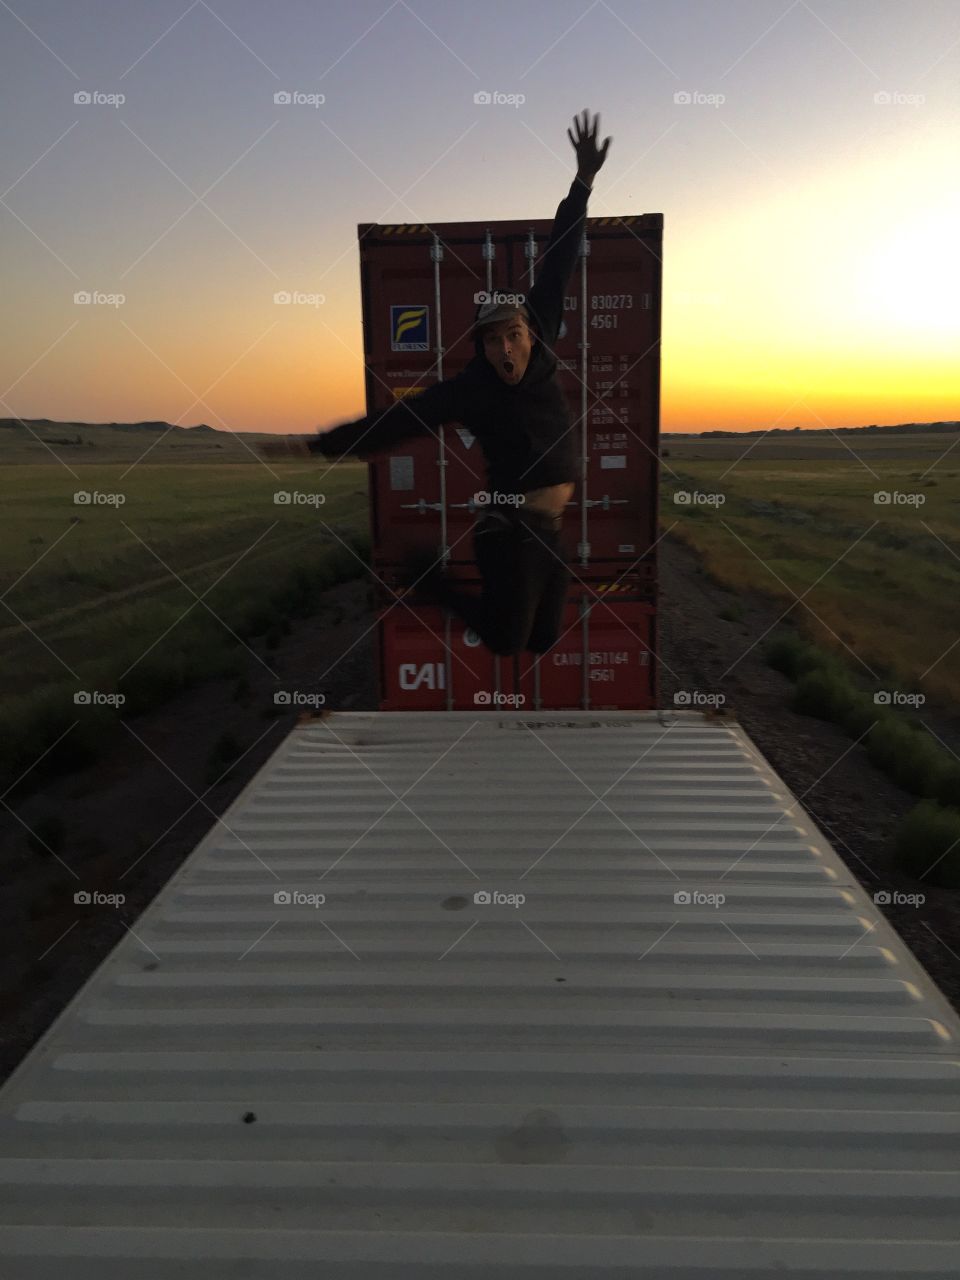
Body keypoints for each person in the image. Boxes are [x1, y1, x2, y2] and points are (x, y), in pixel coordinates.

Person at [261, 109, 612, 656]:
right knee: (504, 640)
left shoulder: (539, 336)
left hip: (549, 528)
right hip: (509, 529)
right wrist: (318, 444)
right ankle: (431, 579)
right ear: (482, 344)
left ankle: (444, 584)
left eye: (512, 335)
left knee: (542, 640)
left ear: (529, 332)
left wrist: (582, 181)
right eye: (492, 340)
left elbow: (560, 256)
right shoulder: (471, 389)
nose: (505, 348)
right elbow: (399, 421)